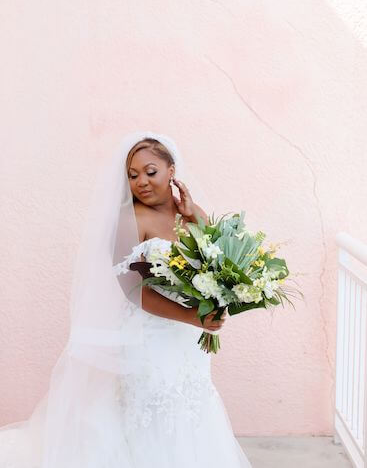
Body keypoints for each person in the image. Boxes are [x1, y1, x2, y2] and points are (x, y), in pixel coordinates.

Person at [0, 131, 253, 467]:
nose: (141, 182)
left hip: (188, 340)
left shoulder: (190, 214)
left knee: (191, 404)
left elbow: (219, 259)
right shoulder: (128, 219)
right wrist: (194, 317)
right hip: (148, 336)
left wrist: (194, 215)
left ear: (172, 171)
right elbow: (134, 291)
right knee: (151, 405)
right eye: (132, 176)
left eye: (151, 172)